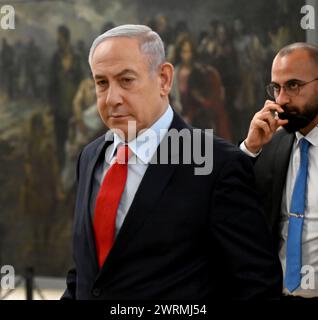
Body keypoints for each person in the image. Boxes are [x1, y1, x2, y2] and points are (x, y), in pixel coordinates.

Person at [62, 24, 282, 300]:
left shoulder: (217, 165)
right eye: (101, 82)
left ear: (164, 79)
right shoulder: (90, 157)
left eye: (126, 80)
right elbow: (85, 275)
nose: (112, 99)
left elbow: (258, 284)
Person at [241, 42, 318, 299]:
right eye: (276, 87)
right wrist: (249, 149)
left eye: (293, 85)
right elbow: (227, 202)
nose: (281, 99)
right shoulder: (270, 144)